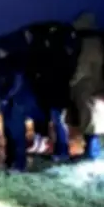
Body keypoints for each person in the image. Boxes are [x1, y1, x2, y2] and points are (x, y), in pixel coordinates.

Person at [0, 46, 42, 172]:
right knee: (10, 133)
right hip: (10, 104)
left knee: (17, 134)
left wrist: (6, 97)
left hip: (16, 104)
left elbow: (16, 84)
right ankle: (10, 161)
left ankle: (20, 164)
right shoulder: (7, 65)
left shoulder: (14, 66)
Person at [69, 11, 104, 159]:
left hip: (85, 85)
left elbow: (83, 66)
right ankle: (91, 149)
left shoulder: (87, 42)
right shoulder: (96, 41)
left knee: (88, 118)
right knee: (91, 118)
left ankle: (91, 151)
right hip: (95, 83)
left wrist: (72, 81)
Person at [36, 24, 74, 159]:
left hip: (57, 95)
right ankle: (60, 150)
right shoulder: (64, 54)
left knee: (59, 122)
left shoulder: (54, 55)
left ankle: (62, 151)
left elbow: (50, 75)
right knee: (58, 122)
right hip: (60, 94)